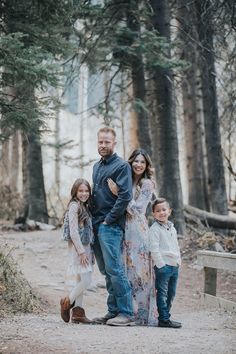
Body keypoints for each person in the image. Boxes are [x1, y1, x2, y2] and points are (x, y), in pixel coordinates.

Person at [108, 148, 157, 325]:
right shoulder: (126, 179)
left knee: (140, 272)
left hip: (138, 230)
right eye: (136, 161)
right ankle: (128, 311)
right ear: (130, 162)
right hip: (123, 229)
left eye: (142, 162)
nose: (138, 164)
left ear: (146, 165)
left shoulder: (147, 184)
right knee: (126, 271)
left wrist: (119, 194)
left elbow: (137, 209)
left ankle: (142, 315)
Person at [91, 127, 135, 326]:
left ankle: (127, 313)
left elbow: (125, 196)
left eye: (107, 142)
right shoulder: (96, 167)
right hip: (96, 225)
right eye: (100, 142)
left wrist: (109, 220)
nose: (103, 145)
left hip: (111, 226)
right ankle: (112, 311)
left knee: (115, 269)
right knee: (106, 271)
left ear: (114, 144)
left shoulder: (121, 166)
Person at [60, 178, 94, 324]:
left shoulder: (85, 207)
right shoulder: (74, 206)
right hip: (78, 249)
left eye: (86, 191)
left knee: (80, 279)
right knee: (86, 281)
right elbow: (74, 232)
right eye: (81, 191)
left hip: (86, 248)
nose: (84, 193)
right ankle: (67, 301)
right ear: (75, 191)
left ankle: (78, 312)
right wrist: (81, 252)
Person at [149, 198, 182, 328]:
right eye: (158, 211)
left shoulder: (172, 228)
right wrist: (161, 265)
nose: (161, 213)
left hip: (174, 265)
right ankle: (163, 319)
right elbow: (154, 248)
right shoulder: (155, 229)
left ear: (169, 211)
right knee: (162, 293)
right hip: (163, 266)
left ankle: (166, 316)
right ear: (153, 214)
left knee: (171, 293)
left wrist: (179, 261)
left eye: (164, 210)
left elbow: (176, 246)